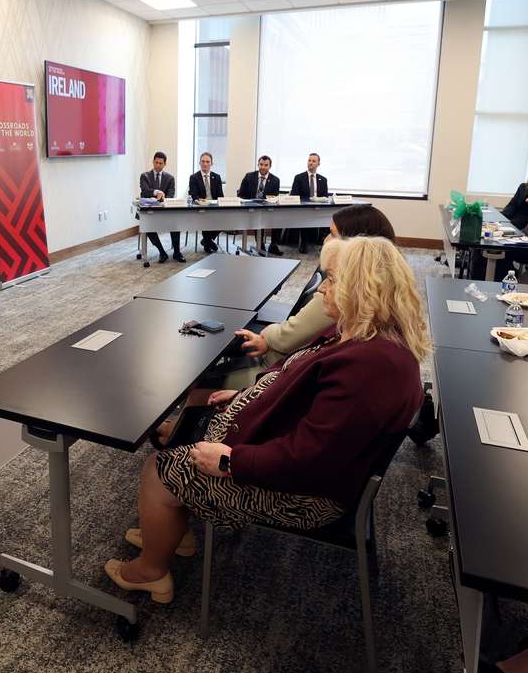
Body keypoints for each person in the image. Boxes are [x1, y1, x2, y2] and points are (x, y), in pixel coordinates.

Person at [103, 236, 429, 603]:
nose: (323, 288)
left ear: (363, 289)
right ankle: (170, 532)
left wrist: (229, 461)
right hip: (292, 461)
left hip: (305, 494)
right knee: (192, 418)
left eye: (333, 280)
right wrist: (244, 395)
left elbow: (309, 459)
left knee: (157, 469)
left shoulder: (370, 367)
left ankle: (150, 571)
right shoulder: (365, 337)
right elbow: (294, 379)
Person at [234, 204, 396, 367]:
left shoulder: (340, 293)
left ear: (355, 244)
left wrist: (265, 336)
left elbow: (288, 338)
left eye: (332, 234)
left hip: (286, 365)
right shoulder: (386, 289)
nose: (325, 240)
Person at [138, 151, 184, 263]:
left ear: (165, 164)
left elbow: (170, 195)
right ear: (153, 162)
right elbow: (145, 191)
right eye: (156, 162)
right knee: (147, 226)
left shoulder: (170, 178)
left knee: (175, 223)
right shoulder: (145, 176)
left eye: (160, 163)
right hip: (149, 211)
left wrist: (162, 198)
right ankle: (162, 252)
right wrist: (156, 192)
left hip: (165, 210)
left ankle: (177, 252)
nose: (158, 165)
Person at [236, 155, 282, 255]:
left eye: (266, 165)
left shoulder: (275, 180)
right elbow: (241, 194)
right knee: (258, 218)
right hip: (252, 208)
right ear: (258, 165)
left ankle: (273, 245)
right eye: (261, 164)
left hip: (268, 209)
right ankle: (260, 244)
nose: (263, 167)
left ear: (270, 166)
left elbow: (274, 197)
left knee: (279, 218)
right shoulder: (249, 176)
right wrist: (249, 202)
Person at [289, 152, 329, 253]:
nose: (310, 163)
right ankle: (303, 242)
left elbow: (325, 197)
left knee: (329, 216)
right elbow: (294, 195)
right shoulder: (299, 177)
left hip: (319, 208)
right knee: (305, 217)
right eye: (309, 160)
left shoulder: (323, 180)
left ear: (318, 164)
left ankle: (323, 241)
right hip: (303, 209)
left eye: (314, 161)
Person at [188, 151, 223, 253]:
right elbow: (194, 195)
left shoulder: (217, 177)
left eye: (208, 162)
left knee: (225, 218)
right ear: (199, 163)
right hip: (201, 207)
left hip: (214, 207)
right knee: (206, 218)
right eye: (203, 161)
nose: (205, 164)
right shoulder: (194, 177)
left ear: (212, 164)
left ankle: (206, 240)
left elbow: (220, 196)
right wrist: (199, 200)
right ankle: (208, 242)